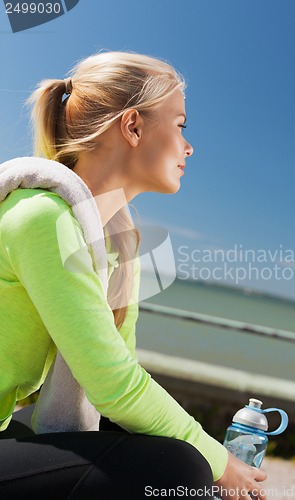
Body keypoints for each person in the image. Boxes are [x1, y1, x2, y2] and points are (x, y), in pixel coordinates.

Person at [0, 51, 267, 499]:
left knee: (154, 447)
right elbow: (114, 384)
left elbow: (120, 376)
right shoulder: (41, 217)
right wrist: (219, 462)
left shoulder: (116, 248)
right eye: (180, 124)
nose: (189, 145)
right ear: (134, 127)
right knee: (176, 469)